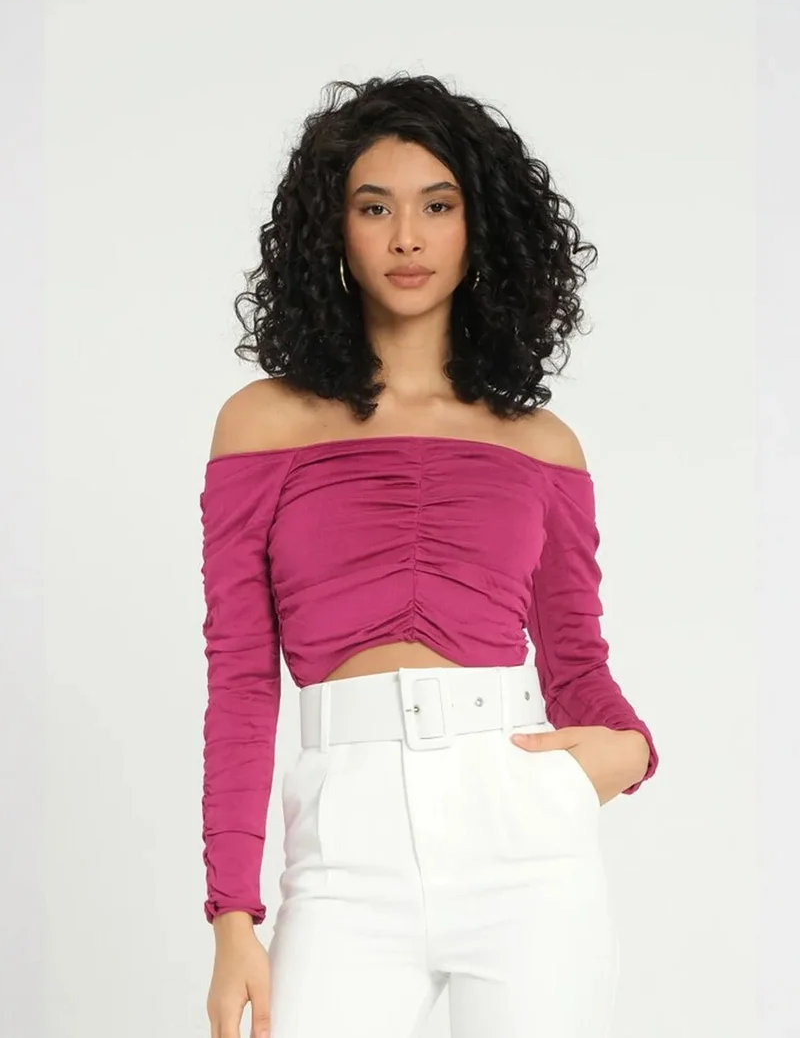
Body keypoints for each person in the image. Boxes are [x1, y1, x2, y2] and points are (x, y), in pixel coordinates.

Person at [199, 73, 658, 1038]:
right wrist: (233, 913)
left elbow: (577, 662)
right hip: (345, 850)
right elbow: (241, 677)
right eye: (376, 207)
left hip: (527, 842)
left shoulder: (541, 445)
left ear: (479, 227)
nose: (407, 237)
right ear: (333, 231)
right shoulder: (261, 425)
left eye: (438, 206)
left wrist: (630, 749)